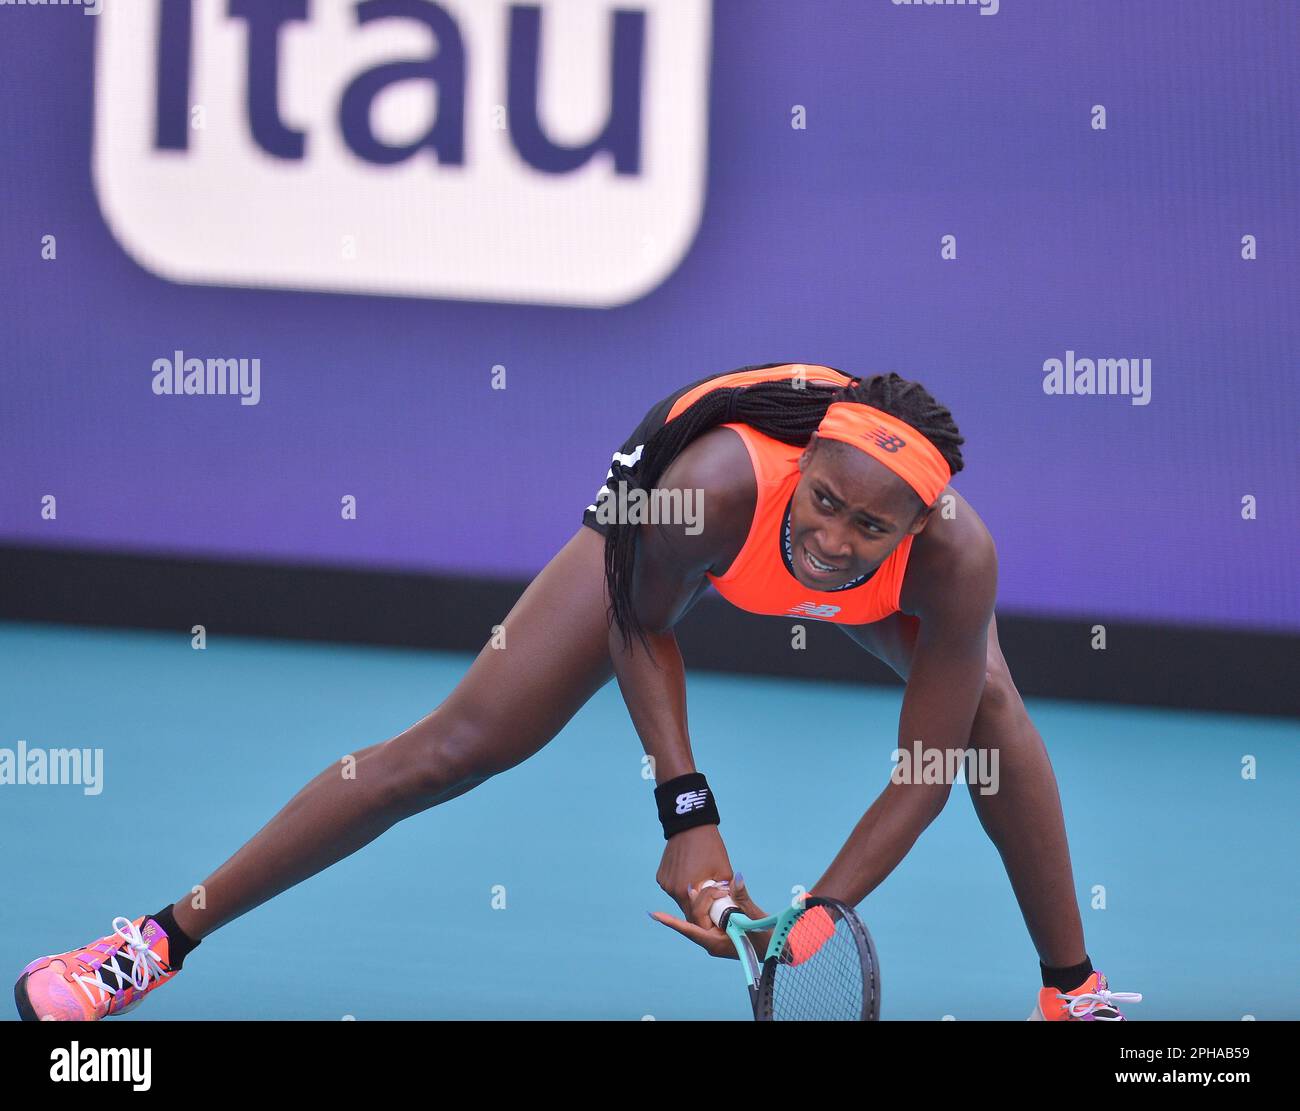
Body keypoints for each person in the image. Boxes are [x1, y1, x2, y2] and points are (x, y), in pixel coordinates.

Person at [14, 362, 1140, 1022]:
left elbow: (926, 772)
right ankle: (154, 943)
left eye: (871, 526)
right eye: (829, 502)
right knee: (449, 748)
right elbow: (637, 621)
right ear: (803, 471)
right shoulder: (706, 488)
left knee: (990, 713)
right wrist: (687, 818)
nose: (836, 537)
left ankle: (1071, 992)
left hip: (890, 623)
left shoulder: (955, 557)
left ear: (916, 527)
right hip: (657, 561)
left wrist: (815, 914)